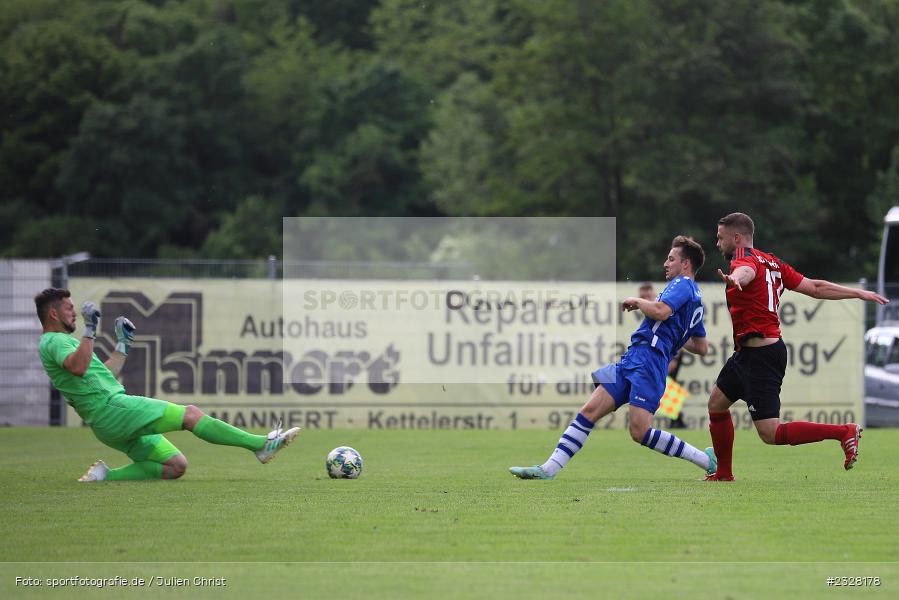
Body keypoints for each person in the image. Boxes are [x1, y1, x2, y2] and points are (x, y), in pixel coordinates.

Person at [35, 288, 301, 482]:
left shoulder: (64, 344)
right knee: (191, 415)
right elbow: (79, 367)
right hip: (111, 408)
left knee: (175, 466)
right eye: (70, 309)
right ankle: (260, 445)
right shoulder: (55, 341)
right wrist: (90, 330)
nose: (75, 313)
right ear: (53, 313)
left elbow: (102, 375)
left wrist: (123, 344)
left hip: (107, 421)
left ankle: (104, 477)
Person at [510, 236, 715, 480]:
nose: (665, 263)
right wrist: (677, 337)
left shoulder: (682, 284)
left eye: (671, 259)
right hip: (634, 358)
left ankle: (706, 459)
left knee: (639, 432)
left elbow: (661, 311)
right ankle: (548, 469)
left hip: (649, 361)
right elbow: (701, 347)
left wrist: (639, 301)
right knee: (589, 410)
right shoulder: (696, 298)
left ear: (686, 265)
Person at [705, 213, 889, 481]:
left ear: (737, 238)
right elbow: (815, 287)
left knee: (770, 433)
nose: (717, 242)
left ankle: (844, 432)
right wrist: (857, 292)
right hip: (747, 353)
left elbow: (746, 272)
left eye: (720, 238)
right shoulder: (773, 262)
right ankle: (723, 474)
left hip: (762, 356)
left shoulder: (744, 262)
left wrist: (738, 279)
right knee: (716, 404)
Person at [639, 283, 688, 429]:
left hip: (670, 353)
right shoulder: (653, 308)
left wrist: (674, 357)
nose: (644, 299)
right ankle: (677, 421)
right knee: (667, 386)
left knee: (667, 384)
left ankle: (677, 421)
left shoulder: (660, 306)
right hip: (665, 353)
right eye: (642, 297)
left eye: (647, 296)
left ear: (653, 295)